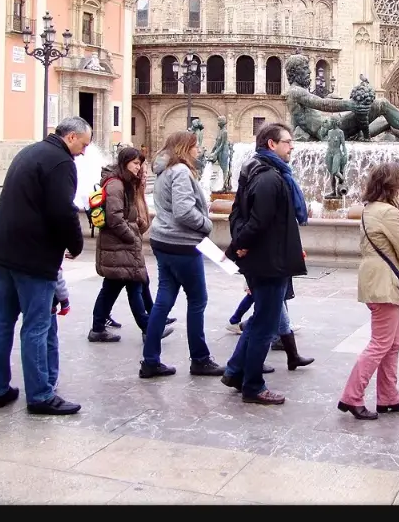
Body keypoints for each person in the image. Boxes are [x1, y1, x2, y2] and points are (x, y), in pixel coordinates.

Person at [0, 116, 88, 416]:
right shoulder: (61, 161)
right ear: (71, 138)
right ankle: (41, 395)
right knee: (36, 326)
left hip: (3, 251)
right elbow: (62, 210)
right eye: (83, 144)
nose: (82, 152)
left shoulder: (29, 152)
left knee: (2, 322)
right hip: (33, 256)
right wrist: (76, 244)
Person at [222, 123, 311, 405]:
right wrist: (238, 246)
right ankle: (253, 386)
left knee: (259, 320)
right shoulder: (271, 178)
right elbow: (257, 221)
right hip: (270, 262)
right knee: (265, 325)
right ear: (272, 144)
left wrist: (240, 244)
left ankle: (236, 371)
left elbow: (236, 214)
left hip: (263, 259)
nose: (292, 146)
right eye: (287, 142)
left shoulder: (254, 171)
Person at [140, 131, 225, 380]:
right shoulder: (179, 171)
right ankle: (200, 359)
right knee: (197, 300)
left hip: (163, 241)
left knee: (163, 300)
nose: (198, 151)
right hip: (182, 244)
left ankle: (150, 360)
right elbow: (184, 211)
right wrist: (206, 225)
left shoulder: (164, 170)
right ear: (184, 148)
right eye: (195, 146)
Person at [338, 162, 399, 420]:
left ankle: (388, 397)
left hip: (375, 277)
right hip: (385, 281)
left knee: (394, 342)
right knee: (381, 342)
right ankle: (352, 396)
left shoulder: (369, 209)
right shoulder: (388, 212)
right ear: (393, 185)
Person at [90, 147, 173, 343]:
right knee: (134, 285)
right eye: (135, 163)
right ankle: (148, 328)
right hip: (119, 245)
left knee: (112, 288)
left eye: (140, 163)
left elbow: (127, 214)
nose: (139, 167)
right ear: (125, 162)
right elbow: (115, 218)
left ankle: (98, 328)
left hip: (119, 245)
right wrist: (132, 236)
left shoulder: (125, 183)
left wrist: (139, 224)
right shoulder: (116, 185)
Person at [49, 267, 70, 393]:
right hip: (46, 298)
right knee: (48, 341)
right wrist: (64, 299)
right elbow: (56, 270)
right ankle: (50, 380)